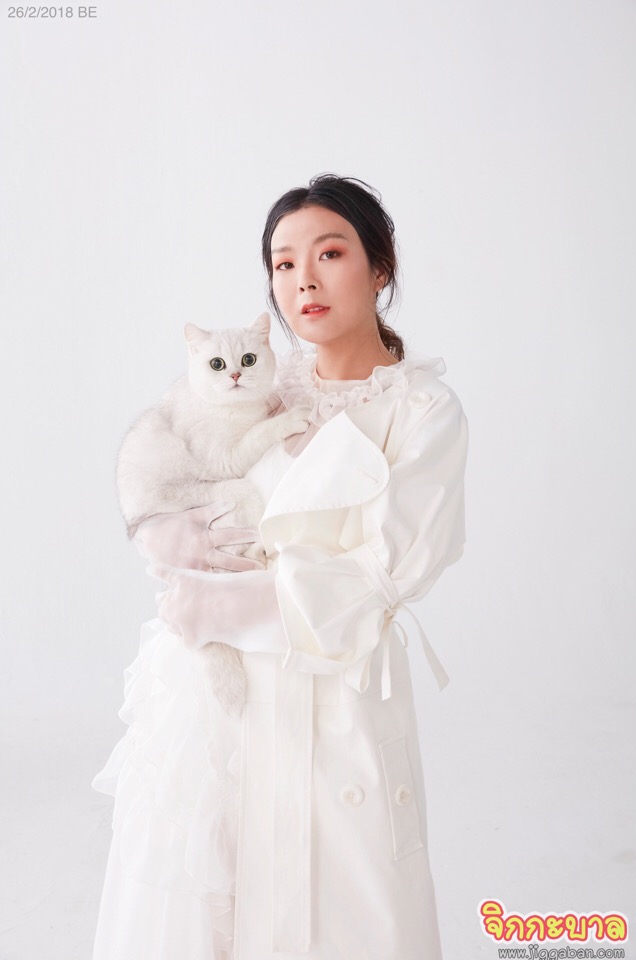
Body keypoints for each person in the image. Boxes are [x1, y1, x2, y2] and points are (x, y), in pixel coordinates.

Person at [91, 173, 469, 960]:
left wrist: (234, 601)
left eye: (329, 254)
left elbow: (388, 567)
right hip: (215, 692)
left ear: (381, 266)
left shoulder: (421, 411)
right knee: (210, 898)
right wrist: (171, 542)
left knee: (350, 900)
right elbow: (167, 472)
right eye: (284, 263)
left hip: (338, 682)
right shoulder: (254, 382)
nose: (304, 280)